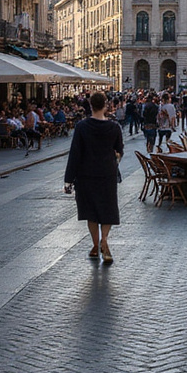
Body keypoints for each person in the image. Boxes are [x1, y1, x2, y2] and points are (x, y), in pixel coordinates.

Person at [63, 91, 124, 264]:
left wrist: (68, 179)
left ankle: (96, 244)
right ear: (105, 105)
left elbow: (75, 154)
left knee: (91, 211)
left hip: (86, 175)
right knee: (107, 209)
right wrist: (114, 160)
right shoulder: (114, 127)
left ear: (90, 106)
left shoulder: (82, 126)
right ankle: (104, 240)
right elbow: (119, 150)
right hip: (107, 174)